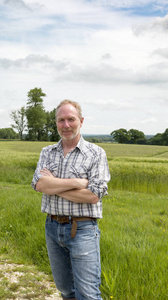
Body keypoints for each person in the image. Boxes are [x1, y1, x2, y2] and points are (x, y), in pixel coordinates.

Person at [31, 99, 110, 300]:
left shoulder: (96, 153)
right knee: (66, 290)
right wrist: (76, 182)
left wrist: (53, 185)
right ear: (56, 123)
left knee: (88, 294)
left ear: (81, 121)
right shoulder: (47, 152)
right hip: (52, 226)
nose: (66, 125)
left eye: (71, 119)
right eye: (61, 120)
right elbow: (39, 185)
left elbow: (93, 196)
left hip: (82, 229)